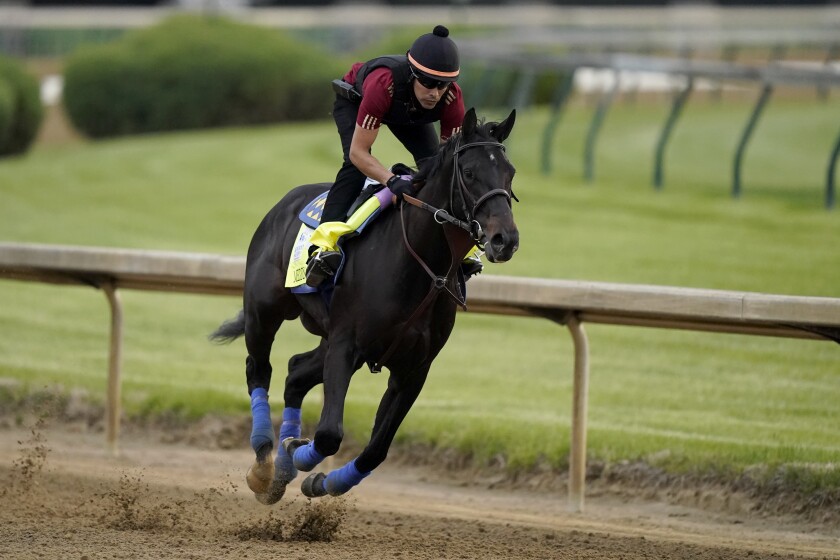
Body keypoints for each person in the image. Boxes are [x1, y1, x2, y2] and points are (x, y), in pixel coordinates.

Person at [305, 25, 481, 288]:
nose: (435, 93)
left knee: (436, 167)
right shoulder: (383, 83)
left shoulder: (451, 98)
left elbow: (448, 166)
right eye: (428, 83)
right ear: (412, 75)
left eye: (442, 85)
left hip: (408, 110)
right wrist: (390, 180)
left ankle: (456, 246)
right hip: (357, 99)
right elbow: (358, 152)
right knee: (354, 167)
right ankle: (322, 246)